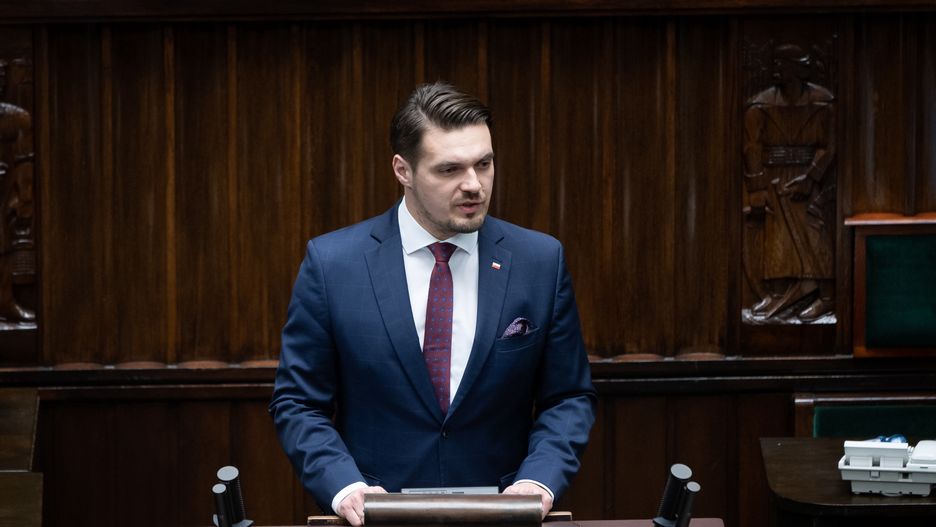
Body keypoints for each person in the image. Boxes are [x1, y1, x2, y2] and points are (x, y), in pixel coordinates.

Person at [270, 82, 596, 525]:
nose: (474, 185)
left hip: (502, 514)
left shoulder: (540, 261)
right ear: (402, 170)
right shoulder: (333, 265)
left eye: (485, 164)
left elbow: (569, 396)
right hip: (376, 514)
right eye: (449, 170)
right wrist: (345, 486)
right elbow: (298, 401)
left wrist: (539, 481)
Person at [743, 44, 836, 322]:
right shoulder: (760, 105)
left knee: (814, 233)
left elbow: (831, 145)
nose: (775, 70)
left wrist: (811, 177)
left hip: (807, 177)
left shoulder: (823, 102)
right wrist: (757, 188)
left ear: (798, 68)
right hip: (775, 177)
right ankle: (777, 292)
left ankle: (827, 297)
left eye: (782, 65)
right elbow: (752, 148)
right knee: (776, 236)